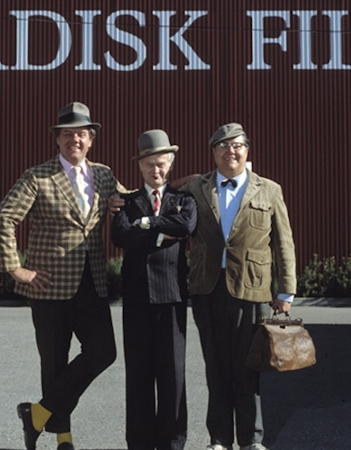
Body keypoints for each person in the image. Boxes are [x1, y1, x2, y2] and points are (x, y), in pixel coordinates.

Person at [0, 102, 121, 450]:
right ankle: (63, 437)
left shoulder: (104, 175)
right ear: (57, 139)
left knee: (103, 352)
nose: (74, 140)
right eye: (67, 134)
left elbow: (131, 200)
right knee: (54, 363)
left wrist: (178, 184)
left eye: (81, 134)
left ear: (91, 139)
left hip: (92, 282)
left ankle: (36, 414)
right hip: (48, 285)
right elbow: (3, 218)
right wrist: (16, 268)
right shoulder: (37, 177)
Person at [182, 123, 297, 450]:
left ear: (247, 150)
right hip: (207, 288)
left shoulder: (269, 189)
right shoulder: (196, 188)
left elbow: (283, 242)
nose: (230, 152)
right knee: (215, 367)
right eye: (222, 146)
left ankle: (250, 440)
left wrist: (286, 292)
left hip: (252, 289)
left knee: (248, 367)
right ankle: (218, 439)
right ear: (213, 152)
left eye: (236, 145)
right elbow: (163, 194)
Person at [111, 129, 197, 450]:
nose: (155, 170)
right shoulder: (127, 202)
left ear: (170, 164)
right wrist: (163, 230)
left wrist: (147, 224)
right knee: (138, 375)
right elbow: (120, 236)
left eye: (161, 164)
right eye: (149, 164)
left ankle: (173, 443)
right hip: (136, 299)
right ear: (140, 166)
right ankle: (140, 443)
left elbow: (186, 226)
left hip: (171, 296)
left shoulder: (183, 200)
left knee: (173, 375)